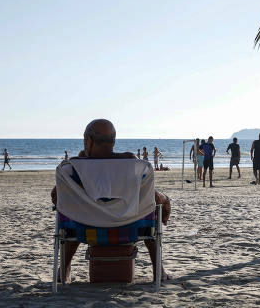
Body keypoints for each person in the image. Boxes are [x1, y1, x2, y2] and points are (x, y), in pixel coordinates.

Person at [50, 119, 171, 282]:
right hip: (130, 228)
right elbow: (152, 196)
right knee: (150, 211)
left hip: (85, 230)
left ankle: (63, 270)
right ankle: (159, 271)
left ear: (88, 140)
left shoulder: (74, 167)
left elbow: (56, 196)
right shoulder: (130, 162)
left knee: (75, 213)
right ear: (113, 141)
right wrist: (165, 199)